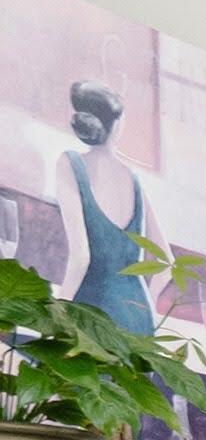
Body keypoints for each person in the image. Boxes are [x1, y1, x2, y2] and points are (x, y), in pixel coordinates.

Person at [54, 81, 168, 333]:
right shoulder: (134, 179)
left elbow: (81, 257)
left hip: (91, 315)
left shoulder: (70, 165)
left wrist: (57, 316)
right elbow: (165, 263)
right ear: (116, 126)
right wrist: (143, 308)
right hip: (138, 319)